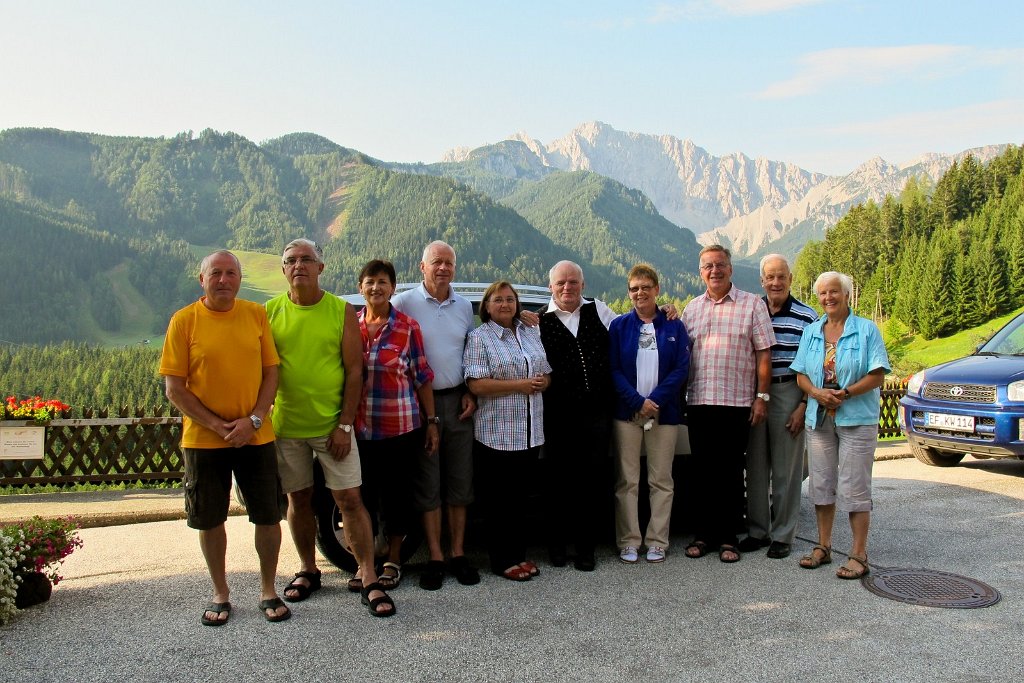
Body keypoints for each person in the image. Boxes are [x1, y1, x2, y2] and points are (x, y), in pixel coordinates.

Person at [159, 250, 289, 626]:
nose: (224, 280)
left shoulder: (255, 314)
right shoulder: (183, 321)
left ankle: (268, 589)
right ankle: (221, 593)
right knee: (209, 519)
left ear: (239, 278)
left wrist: (253, 420)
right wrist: (219, 426)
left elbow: (271, 375)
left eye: (231, 273)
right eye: (216, 273)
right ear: (202, 280)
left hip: (257, 435)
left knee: (267, 515)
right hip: (204, 441)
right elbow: (174, 389)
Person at [265, 238, 393, 617]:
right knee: (298, 501)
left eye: (307, 259)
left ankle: (367, 574)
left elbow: (355, 371)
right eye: (291, 260)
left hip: (332, 427)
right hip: (287, 427)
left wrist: (344, 424)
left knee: (351, 501)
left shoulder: (341, 310)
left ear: (321, 267)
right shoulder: (269, 311)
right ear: (283, 269)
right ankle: (308, 569)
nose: (299, 265)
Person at [391, 241, 480, 590]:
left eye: (449, 263)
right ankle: (435, 557)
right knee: (428, 484)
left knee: (460, 482)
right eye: (436, 262)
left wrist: (471, 390)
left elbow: (472, 352)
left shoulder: (464, 305)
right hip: (420, 405)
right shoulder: (404, 303)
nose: (443, 268)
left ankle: (457, 554)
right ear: (422, 267)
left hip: (459, 403)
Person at [791, 271, 890, 579]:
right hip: (819, 418)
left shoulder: (866, 330)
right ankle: (823, 546)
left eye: (834, 292)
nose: (828, 297)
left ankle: (859, 554)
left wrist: (844, 393)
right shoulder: (812, 331)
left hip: (856, 417)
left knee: (855, 485)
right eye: (822, 293)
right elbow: (800, 374)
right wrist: (817, 393)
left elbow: (878, 374)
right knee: (821, 484)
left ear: (847, 294)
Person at [682, 245, 775, 563]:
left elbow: (764, 353)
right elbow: (682, 354)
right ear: (701, 272)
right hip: (699, 401)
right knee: (702, 471)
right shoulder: (691, 309)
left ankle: (728, 538)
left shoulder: (752, 305)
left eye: (720, 265)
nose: (714, 271)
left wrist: (761, 397)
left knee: (732, 472)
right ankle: (703, 535)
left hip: (736, 403)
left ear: (730, 269)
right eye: (708, 266)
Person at [356, 259, 439, 592]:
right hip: (359, 429)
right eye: (370, 281)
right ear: (361, 286)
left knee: (396, 497)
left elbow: (422, 376)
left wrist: (431, 421)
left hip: (401, 427)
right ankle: (366, 565)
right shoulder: (351, 326)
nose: (376, 287)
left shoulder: (407, 327)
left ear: (393, 287)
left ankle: (393, 559)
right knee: (361, 498)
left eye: (383, 282)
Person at [464, 281, 552, 581]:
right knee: (499, 501)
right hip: (497, 434)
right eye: (498, 300)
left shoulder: (530, 332)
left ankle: (519, 555)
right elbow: (476, 384)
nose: (505, 304)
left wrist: (542, 383)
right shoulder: (479, 338)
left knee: (520, 499)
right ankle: (502, 561)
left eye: (510, 299)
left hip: (530, 431)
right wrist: (521, 385)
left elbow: (545, 373)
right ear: (486, 307)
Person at [536, 260, 616, 571]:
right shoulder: (538, 321)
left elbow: (631, 329)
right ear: (551, 287)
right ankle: (557, 545)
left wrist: (663, 313)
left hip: (596, 413)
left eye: (573, 282)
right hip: (557, 414)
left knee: (591, 481)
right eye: (561, 283)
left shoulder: (600, 310)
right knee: (558, 481)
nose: (567, 287)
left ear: (582, 285)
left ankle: (586, 548)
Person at [609, 264, 690, 564]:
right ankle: (629, 541)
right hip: (627, 414)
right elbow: (614, 369)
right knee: (627, 480)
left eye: (645, 287)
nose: (639, 292)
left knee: (661, 480)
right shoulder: (618, 326)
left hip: (664, 412)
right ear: (628, 292)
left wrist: (654, 400)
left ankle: (657, 540)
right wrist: (636, 401)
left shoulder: (673, 325)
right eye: (634, 288)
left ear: (657, 289)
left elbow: (681, 368)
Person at [739, 254, 818, 560]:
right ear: (761, 281)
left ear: (790, 279)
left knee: (787, 468)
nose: (775, 282)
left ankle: (783, 534)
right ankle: (758, 531)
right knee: (755, 466)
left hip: (789, 390)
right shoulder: (752, 310)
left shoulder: (807, 317)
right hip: (756, 392)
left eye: (781, 276)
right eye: (769, 277)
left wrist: (803, 405)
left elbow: (815, 366)